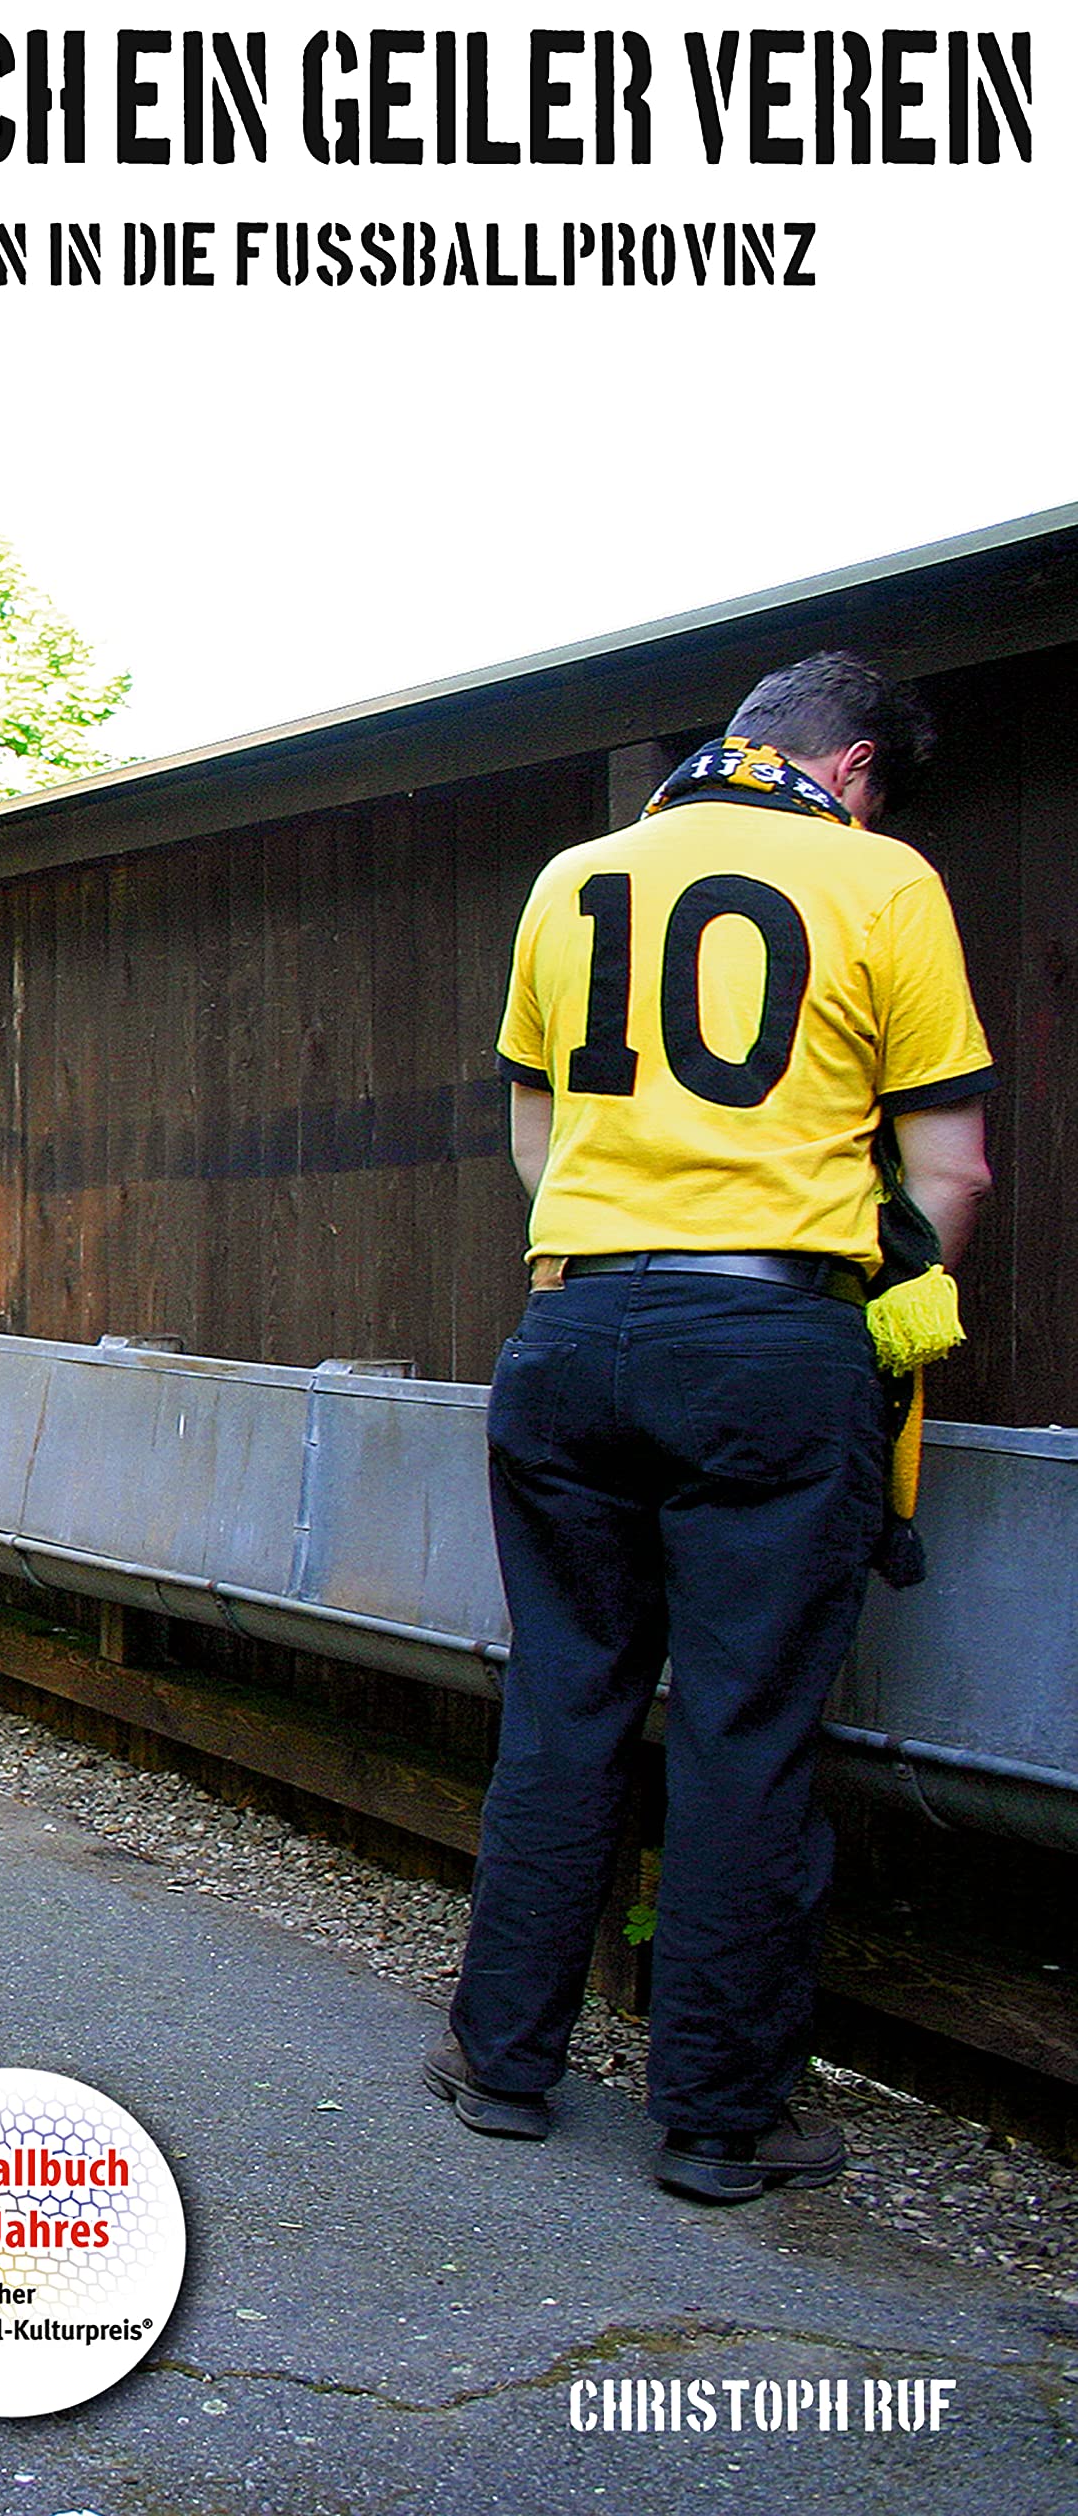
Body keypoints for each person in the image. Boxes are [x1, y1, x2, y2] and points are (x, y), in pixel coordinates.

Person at [423, 652, 993, 2202]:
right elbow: (950, 1169)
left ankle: (501, 2066)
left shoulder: (574, 878)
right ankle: (719, 2124)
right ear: (854, 766)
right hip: (771, 1341)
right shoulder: (881, 880)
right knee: (744, 1727)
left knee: (565, 1697)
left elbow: (535, 1140)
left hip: (575, 1326)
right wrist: (891, 1315)